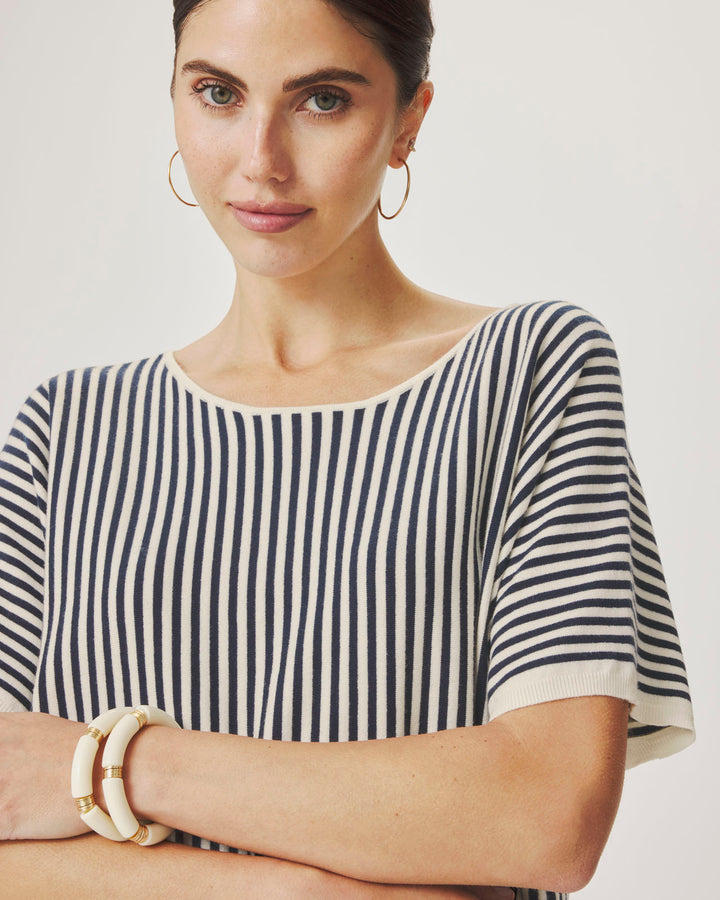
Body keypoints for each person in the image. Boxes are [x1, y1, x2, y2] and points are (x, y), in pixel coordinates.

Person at [0, 0, 695, 897]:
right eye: (217, 93)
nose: (261, 160)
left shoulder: (528, 371)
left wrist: (118, 766)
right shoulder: (68, 432)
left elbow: (546, 815)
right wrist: (296, 893)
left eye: (322, 99)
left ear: (410, 120)